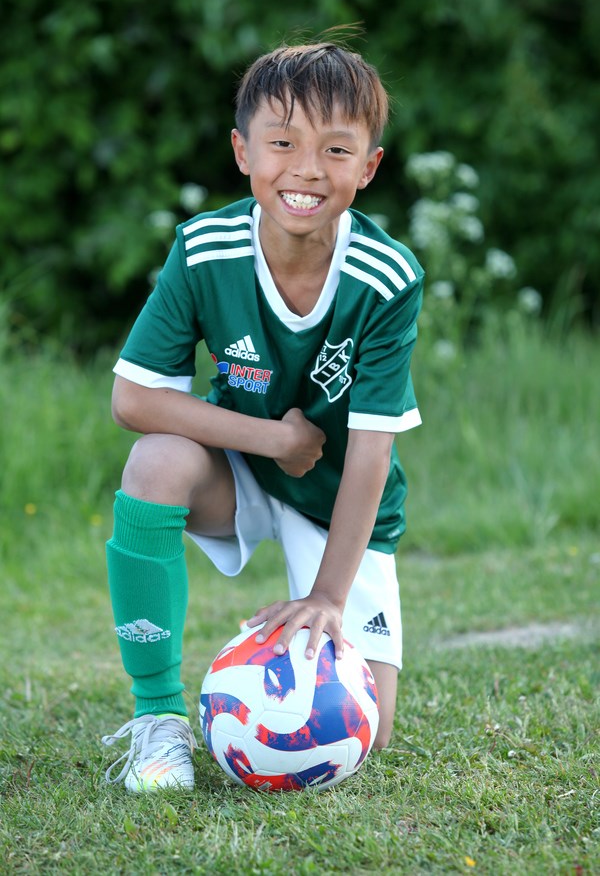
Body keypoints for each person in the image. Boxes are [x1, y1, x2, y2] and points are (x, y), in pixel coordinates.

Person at [101, 41, 424, 792]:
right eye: (282, 144)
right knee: (155, 461)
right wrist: (273, 438)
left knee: (367, 729)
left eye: (335, 150)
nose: (306, 170)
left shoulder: (386, 276)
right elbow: (133, 400)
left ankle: (310, 628)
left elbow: (372, 451)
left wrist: (328, 598)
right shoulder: (204, 249)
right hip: (243, 472)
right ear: (243, 151)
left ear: (368, 167)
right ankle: (158, 717)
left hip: (337, 500)